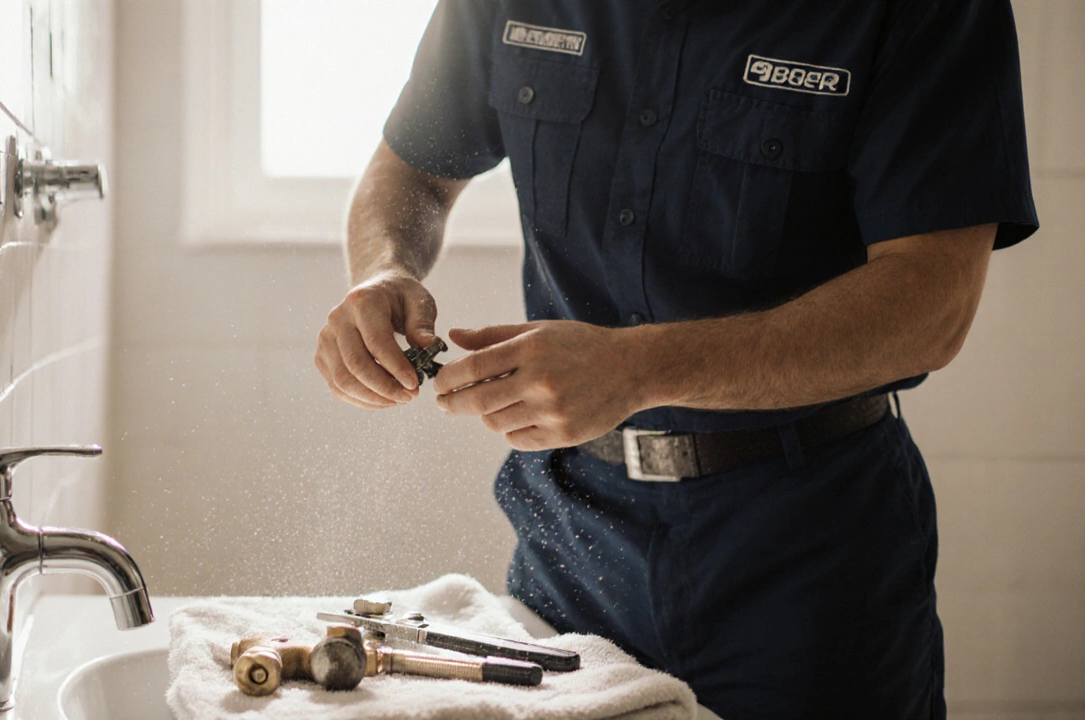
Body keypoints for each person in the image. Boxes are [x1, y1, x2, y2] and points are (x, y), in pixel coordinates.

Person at [313, 1, 1037, 717]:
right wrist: (383, 270)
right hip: (571, 546)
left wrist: (636, 370)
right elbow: (412, 172)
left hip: (807, 554)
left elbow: (933, 304)